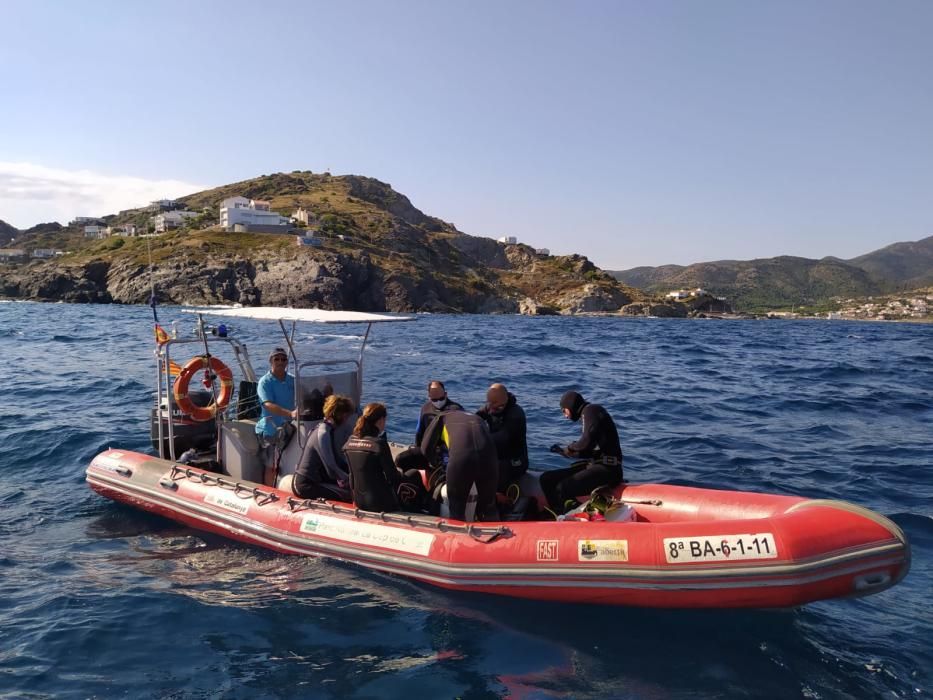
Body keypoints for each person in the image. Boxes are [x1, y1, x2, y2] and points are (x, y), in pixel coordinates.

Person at [539, 390, 623, 514]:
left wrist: (570, 448)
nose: (565, 415)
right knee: (546, 479)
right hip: (595, 465)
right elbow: (588, 449)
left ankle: (572, 518)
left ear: (570, 406)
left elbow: (585, 443)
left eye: (564, 410)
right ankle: (557, 514)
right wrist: (564, 452)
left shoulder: (591, 410)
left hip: (609, 469)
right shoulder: (588, 414)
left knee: (563, 488)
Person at [343, 402, 427, 512]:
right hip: (381, 504)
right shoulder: (379, 444)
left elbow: (352, 477)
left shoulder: (350, 442)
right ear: (381, 420)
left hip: (360, 502)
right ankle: (421, 509)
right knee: (413, 474)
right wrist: (403, 474)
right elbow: (393, 477)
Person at [420, 409, 498, 521]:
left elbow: (425, 448)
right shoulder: (478, 419)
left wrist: (435, 463)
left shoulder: (441, 418)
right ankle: (498, 535)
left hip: (462, 458)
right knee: (488, 508)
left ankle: (458, 533)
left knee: (457, 508)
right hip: (490, 458)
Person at [293, 394, 355, 501]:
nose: (346, 420)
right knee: (349, 494)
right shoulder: (323, 433)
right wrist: (351, 480)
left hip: (317, 480)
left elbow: (338, 462)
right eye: (346, 416)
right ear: (339, 415)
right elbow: (331, 468)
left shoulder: (329, 430)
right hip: (305, 485)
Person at [255, 347, 298, 484]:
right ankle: (269, 492)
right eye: (276, 359)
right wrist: (290, 413)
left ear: (287, 362)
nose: (280, 362)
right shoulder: (265, 382)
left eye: (283, 359)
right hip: (271, 429)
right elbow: (267, 404)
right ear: (271, 361)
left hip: (291, 429)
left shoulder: (293, 380)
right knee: (272, 466)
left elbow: (304, 394)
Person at [476, 383, 528, 491]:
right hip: (496, 453)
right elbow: (476, 418)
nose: (492, 407)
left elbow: (503, 437)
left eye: (495, 404)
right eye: (489, 402)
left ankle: (501, 499)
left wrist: (480, 439)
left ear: (505, 399)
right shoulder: (490, 406)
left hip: (515, 460)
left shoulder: (516, 414)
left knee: (500, 467)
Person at [414, 380, 463, 445]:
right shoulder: (425, 409)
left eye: (441, 399)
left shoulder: (457, 409)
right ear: (429, 397)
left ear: (445, 394)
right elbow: (419, 432)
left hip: (449, 449)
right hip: (429, 448)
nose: (438, 402)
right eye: (434, 400)